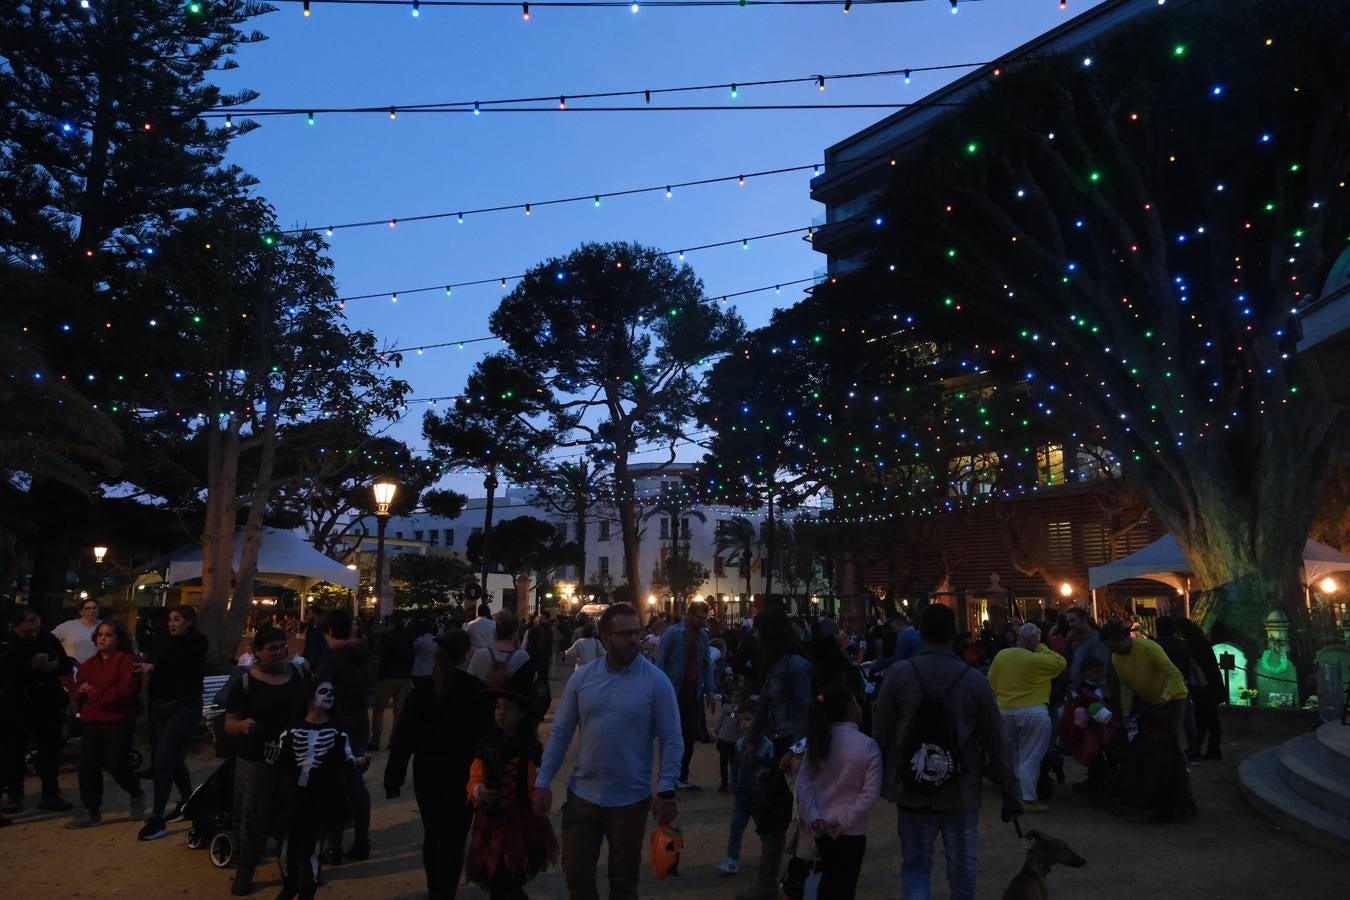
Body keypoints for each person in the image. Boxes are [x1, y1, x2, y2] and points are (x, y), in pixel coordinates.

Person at [531, 603, 682, 900]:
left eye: (636, 633)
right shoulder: (583, 678)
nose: (633, 640)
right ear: (604, 637)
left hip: (630, 799)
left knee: (624, 881)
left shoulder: (656, 682)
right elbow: (561, 733)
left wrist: (666, 788)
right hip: (582, 795)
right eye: (624, 634)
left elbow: (672, 737)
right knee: (576, 873)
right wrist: (543, 780)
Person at [873, 603, 1021, 900]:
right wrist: (1010, 790)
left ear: (920, 632)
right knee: (963, 869)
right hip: (960, 788)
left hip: (912, 784)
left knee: (916, 866)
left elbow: (881, 732)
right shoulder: (974, 680)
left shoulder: (899, 675)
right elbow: (997, 741)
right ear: (954, 633)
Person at [386, 630, 494, 899]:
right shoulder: (476, 691)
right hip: (463, 772)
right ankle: (444, 890)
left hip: (428, 771)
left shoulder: (423, 691)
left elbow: (404, 736)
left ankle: (436, 888)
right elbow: (488, 738)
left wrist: (394, 776)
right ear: (466, 653)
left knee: (433, 833)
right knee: (455, 836)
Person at [223, 627, 308, 896]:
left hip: (292, 757)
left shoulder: (299, 675)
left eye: (283, 646)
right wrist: (242, 725)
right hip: (255, 759)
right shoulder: (245, 682)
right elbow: (229, 723)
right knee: (252, 816)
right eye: (272, 648)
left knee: (290, 814)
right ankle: (245, 868)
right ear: (257, 651)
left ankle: (292, 870)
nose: (280, 652)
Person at [738, 607, 812, 900]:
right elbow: (765, 710)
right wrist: (753, 741)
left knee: (781, 815)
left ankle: (773, 883)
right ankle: (773, 882)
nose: (754, 635)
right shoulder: (775, 665)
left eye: (758, 630)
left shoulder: (795, 665)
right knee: (776, 814)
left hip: (795, 748)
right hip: (783, 744)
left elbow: (806, 709)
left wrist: (798, 750)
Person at [273, 678, 365, 900]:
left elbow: (349, 758)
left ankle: (307, 891)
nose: (329, 695)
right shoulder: (291, 730)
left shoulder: (337, 732)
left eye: (331, 692)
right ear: (309, 697)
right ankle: (289, 885)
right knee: (287, 849)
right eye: (323, 691)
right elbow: (279, 762)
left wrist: (359, 764)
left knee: (313, 849)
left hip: (321, 800)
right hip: (293, 799)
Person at [465, 688, 559, 899]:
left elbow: (539, 782)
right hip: (492, 819)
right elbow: (474, 778)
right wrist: (480, 791)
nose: (501, 713)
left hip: (523, 820)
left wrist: (541, 797)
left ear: (522, 713)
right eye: (498, 707)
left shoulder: (531, 748)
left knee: (512, 875)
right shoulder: (486, 746)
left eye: (508, 708)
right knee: (496, 876)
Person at [796, 684, 882, 900]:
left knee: (828, 881)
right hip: (851, 830)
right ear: (849, 708)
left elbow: (803, 783)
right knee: (845, 885)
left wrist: (814, 816)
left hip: (821, 827)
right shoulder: (867, 746)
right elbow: (870, 794)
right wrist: (842, 821)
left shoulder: (818, 742)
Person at [64, 618, 145, 829]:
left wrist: (95, 692)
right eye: (100, 634)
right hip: (92, 720)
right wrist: (80, 692)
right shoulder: (90, 663)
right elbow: (78, 687)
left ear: (118, 638)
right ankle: (92, 810)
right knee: (88, 767)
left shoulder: (127, 661)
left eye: (108, 635)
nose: (102, 638)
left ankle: (135, 790)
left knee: (116, 764)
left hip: (117, 720)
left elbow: (126, 692)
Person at [137, 605, 207, 840]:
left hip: (185, 705)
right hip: (160, 706)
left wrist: (157, 665)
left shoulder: (198, 642)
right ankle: (190, 802)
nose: (172, 623)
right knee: (174, 758)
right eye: (170, 620)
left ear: (189, 621)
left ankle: (157, 818)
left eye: (177, 619)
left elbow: (183, 666)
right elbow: (153, 658)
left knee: (164, 758)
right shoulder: (161, 639)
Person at [1, 608, 75, 814]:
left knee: (49, 750)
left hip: (46, 702)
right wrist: (28, 667)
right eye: (27, 632)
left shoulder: (47, 638)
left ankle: (50, 793)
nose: (33, 635)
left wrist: (55, 666)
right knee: (14, 751)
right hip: (17, 704)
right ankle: (15, 794)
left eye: (36, 630)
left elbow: (66, 663)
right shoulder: (8, 644)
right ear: (14, 628)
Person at [987, 622, 1066, 813]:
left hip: (1005, 709)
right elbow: (1060, 663)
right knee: (1030, 756)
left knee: (1012, 755)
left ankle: (1015, 794)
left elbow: (992, 682)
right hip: (1033, 711)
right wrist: (1040, 647)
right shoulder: (1037, 659)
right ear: (1034, 640)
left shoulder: (1002, 655)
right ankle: (1028, 798)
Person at [315, 609, 373, 865]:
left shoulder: (331, 660)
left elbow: (321, 697)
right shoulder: (361, 654)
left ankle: (334, 845)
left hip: (337, 728)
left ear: (328, 631)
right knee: (355, 784)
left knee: (335, 787)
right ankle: (361, 840)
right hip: (359, 724)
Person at [652, 599, 716, 790]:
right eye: (699, 617)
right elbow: (660, 662)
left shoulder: (703, 636)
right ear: (689, 614)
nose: (702, 621)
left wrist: (710, 691)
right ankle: (668, 777)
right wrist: (660, 692)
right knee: (671, 736)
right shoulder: (672, 634)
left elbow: (706, 664)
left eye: (705, 618)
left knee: (689, 736)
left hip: (694, 692)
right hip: (674, 692)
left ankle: (682, 776)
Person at [1100, 621, 1190, 751]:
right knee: (1155, 737)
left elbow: (1175, 675)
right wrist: (1125, 712)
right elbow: (1126, 685)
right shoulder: (1116, 657)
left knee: (1173, 734)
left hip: (1173, 695)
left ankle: (1182, 766)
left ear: (1123, 638)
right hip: (1152, 699)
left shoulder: (1148, 647)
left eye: (1114, 647)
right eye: (1109, 648)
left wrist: (1165, 697)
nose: (1112, 651)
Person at [719, 705, 775, 876]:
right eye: (741, 720)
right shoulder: (740, 743)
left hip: (760, 798)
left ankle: (770, 862)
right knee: (736, 827)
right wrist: (734, 782)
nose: (743, 724)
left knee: (765, 832)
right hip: (742, 795)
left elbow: (773, 770)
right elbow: (736, 765)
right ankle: (732, 859)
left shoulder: (768, 746)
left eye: (748, 719)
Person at [1154, 616, 1200, 761]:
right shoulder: (1183, 644)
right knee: (1187, 720)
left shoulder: (1156, 645)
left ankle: (1172, 755)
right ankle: (1193, 751)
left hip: (1164, 688)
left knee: (1171, 723)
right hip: (1184, 685)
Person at [1177, 618, 1223, 759]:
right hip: (1210, 686)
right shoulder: (1200, 641)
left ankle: (1204, 749)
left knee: (1204, 719)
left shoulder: (1194, 644)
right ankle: (1210, 749)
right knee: (1210, 719)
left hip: (1204, 687)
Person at [371, 617, 415, 752]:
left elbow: (383, 657)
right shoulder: (409, 636)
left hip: (389, 676)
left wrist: (380, 676)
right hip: (405, 676)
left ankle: (376, 741)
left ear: (390, 624)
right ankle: (394, 741)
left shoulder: (386, 637)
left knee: (378, 710)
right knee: (399, 711)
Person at [1063, 607, 1108, 693]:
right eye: (1068, 621)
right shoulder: (1076, 641)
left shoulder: (1097, 641)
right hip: (1078, 690)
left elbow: (1098, 672)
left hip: (1090, 693)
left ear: (1083, 619)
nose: (1070, 624)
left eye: (1073, 620)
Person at [715, 687, 748, 794]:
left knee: (734, 764)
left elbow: (738, 719)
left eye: (738, 696)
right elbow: (722, 720)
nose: (735, 698)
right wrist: (716, 732)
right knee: (723, 763)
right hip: (723, 739)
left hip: (736, 741)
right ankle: (724, 784)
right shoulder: (726, 707)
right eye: (734, 696)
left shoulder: (744, 711)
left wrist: (737, 712)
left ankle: (734, 784)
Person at [53, 598, 102, 665]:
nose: (92, 611)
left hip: (96, 667)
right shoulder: (68, 626)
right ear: (81, 611)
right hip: (73, 668)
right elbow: (51, 640)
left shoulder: (104, 626)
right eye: (88, 608)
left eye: (94, 608)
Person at [410, 620, 439, 691]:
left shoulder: (419, 641)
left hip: (418, 672)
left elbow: (412, 651)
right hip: (432, 671)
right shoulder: (437, 640)